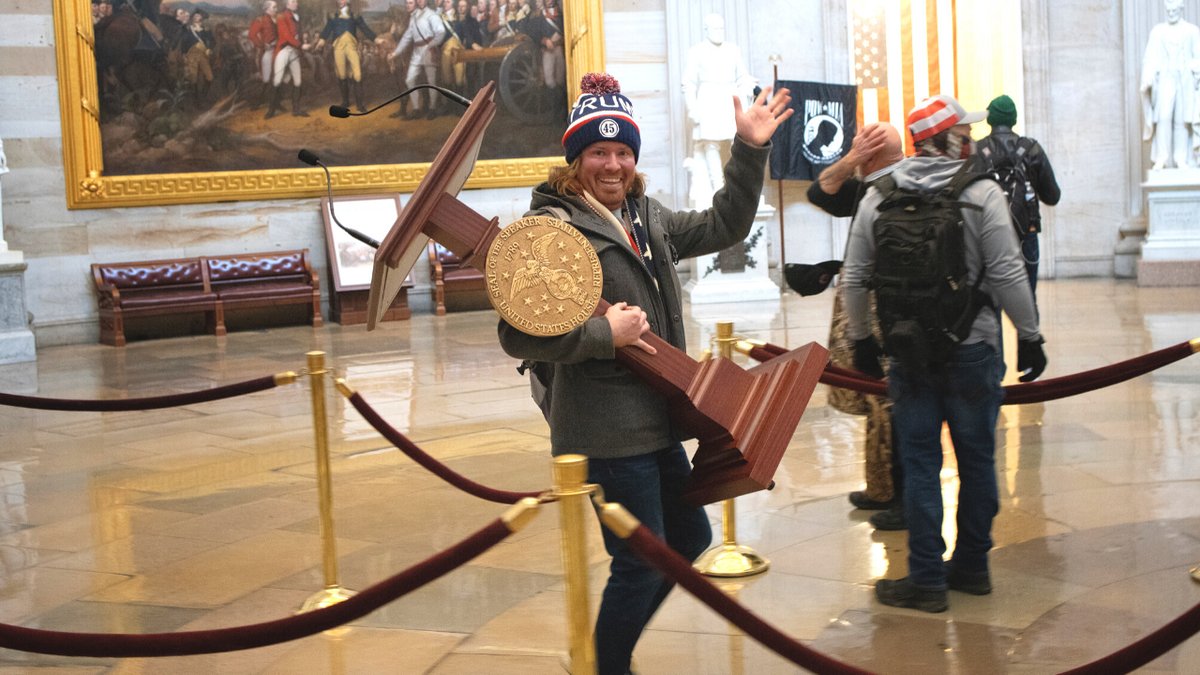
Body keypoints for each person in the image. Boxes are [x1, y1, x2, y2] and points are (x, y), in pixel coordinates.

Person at [497, 73, 792, 674]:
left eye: (623, 152)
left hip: (656, 419)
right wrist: (606, 334)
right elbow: (517, 335)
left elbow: (724, 226)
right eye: (599, 152)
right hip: (604, 428)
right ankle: (604, 667)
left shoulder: (645, 215)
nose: (613, 164)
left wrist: (750, 149)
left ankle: (606, 656)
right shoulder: (550, 232)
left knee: (686, 542)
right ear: (575, 160)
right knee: (640, 559)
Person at [841, 94, 1047, 613]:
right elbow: (1006, 272)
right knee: (978, 460)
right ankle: (973, 566)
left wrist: (863, 341)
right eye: (966, 132)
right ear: (949, 139)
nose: (973, 139)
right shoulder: (982, 192)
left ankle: (926, 579)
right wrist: (1031, 333)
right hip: (973, 347)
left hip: (909, 353)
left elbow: (855, 277)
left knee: (920, 462)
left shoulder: (878, 194)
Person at [802, 122, 908, 531]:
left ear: (872, 155)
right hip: (868, 306)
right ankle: (881, 488)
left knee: (890, 404)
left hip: (888, 311)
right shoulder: (868, 186)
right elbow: (820, 190)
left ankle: (902, 496)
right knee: (876, 402)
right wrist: (853, 160)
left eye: (859, 147)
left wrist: (854, 159)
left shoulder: (897, 185)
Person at [976, 94, 1062, 296]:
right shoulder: (1032, 149)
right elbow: (1052, 196)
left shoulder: (978, 150)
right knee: (1028, 303)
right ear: (1013, 119)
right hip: (1026, 233)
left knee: (989, 306)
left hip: (989, 235)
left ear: (990, 119)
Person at [681, 13, 756, 207]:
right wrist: (692, 108)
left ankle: (736, 184)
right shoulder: (696, 51)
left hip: (729, 98)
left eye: (721, 28)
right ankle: (717, 187)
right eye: (715, 29)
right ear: (706, 31)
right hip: (707, 99)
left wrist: (747, 87)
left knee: (736, 142)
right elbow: (688, 83)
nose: (719, 32)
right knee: (710, 144)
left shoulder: (733, 50)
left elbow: (742, 76)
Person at [1141, 0, 1200, 170]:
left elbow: (1198, 57)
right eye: (1169, 10)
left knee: (1181, 120)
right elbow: (1150, 58)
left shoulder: (1192, 31)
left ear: (1181, 9)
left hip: (1184, 79)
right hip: (1165, 78)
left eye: (1174, 10)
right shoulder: (1158, 32)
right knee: (1164, 117)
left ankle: (1181, 158)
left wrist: (1194, 70)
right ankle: (1162, 157)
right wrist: (1148, 77)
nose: (1171, 13)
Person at [315, 0, 384, 114]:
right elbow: (327, 30)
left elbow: (365, 28)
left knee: (357, 74)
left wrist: (376, 39)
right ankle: (345, 101)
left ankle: (360, 105)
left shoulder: (355, 15)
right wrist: (321, 41)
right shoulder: (333, 16)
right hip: (338, 47)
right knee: (341, 74)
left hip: (352, 47)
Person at [388, 0, 446, 119]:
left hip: (429, 50)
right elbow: (407, 37)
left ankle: (432, 108)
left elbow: (441, 32)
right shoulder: (414, 17)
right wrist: (395, 53)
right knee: (410, 80)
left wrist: (432, 45)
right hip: (417, 52)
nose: (419, 1)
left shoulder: (432, 15)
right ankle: (416, 109)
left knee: (431, 82)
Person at [267, 0, 311, 119]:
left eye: (296, 1)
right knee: (277, 80)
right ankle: (271, 109)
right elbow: (286, 35)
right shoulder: (282, 16)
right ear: (287, 4)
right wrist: (301, 45)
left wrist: (302, 44)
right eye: (293, 1)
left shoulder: (297, 17)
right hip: (284, 50)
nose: (296, 3)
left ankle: (296, 109)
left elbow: (298, 34)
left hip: (294, 52)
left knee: (298, 81)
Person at [247, 0, 279, 109]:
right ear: (267, 9)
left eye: (276, 7)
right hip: (269, 51)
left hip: (279, 50)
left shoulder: (278, 20)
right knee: (267, 78)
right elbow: (251, 35)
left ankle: (276, 102)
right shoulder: (260, 20)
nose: (276, 9)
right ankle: (259, 101)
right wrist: (262, 45)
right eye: (274, 7)